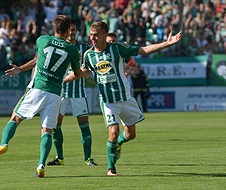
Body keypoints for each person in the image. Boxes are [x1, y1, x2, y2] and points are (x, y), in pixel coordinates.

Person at [0, 15, 90, 178]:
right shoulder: (72, 50)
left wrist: (19, 69)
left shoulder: (42, 40)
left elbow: (38, 59)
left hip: (37, 88)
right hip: (55, 94)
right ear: (68, 29)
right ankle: (41, 164)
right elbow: (76, 73)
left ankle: (3, 143)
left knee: (15, 118)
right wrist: (85, 73)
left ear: (54, 28)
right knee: (47, 130)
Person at [71, 21, 181, 176]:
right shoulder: (89, 55)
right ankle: (111, 168)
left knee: (130, 135)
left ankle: (119, 144)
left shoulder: (117, 48)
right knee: (114, 131)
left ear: (104, 34)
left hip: (125, 98)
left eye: (96, 35)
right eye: (91, 34)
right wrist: (67, 78)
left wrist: (167, 43)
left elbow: (143, 50)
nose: (92, 38)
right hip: (107, 100)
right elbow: (84, 72)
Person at [46, 19, 97, 166]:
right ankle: (59, 157)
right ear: (66, 30)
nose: (72, 32)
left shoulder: (84, 49)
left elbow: (91, 66)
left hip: (78, 93)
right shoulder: (58, 46)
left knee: (84, 126)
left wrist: (87, 73)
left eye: (74, 30)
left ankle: (88, 158)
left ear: (77, 31)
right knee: (55, 125)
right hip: (60, 93)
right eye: (70, 29)